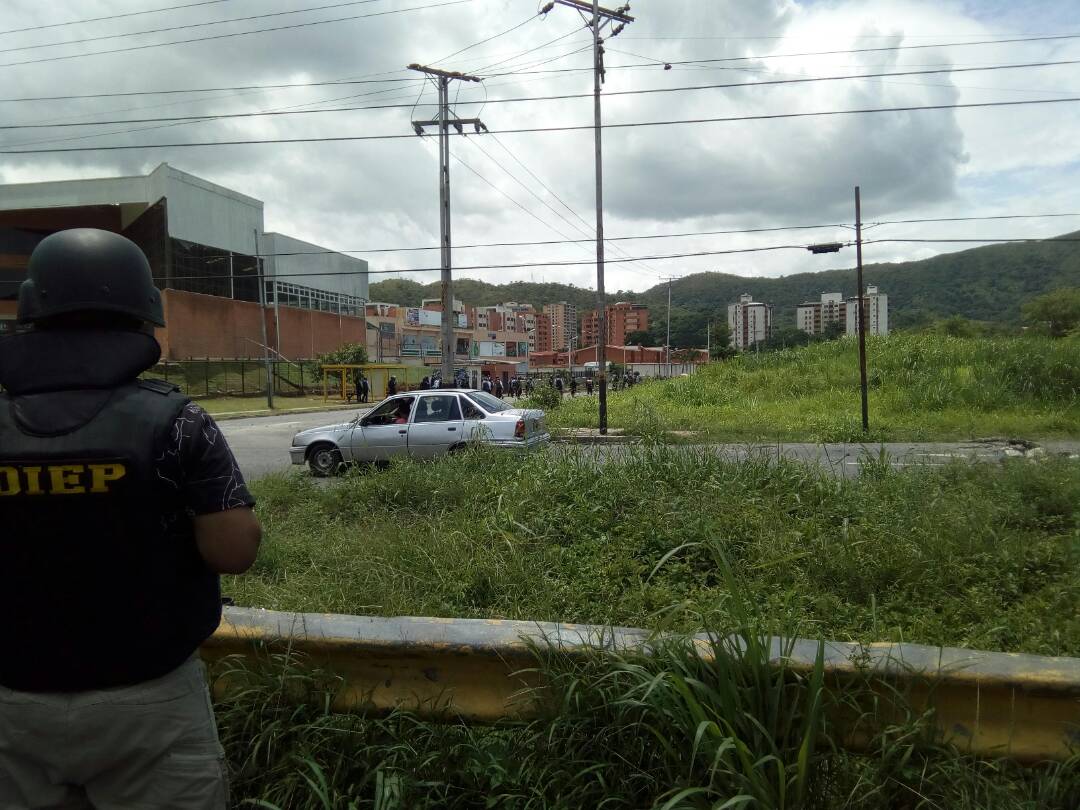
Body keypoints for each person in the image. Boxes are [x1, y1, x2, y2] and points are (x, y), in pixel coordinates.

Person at [0, 228, 262, 809]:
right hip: (150, 698)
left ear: (31, 314)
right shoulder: (178, 422)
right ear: (142, 319)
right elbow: (234, 551)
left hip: (12, 703)